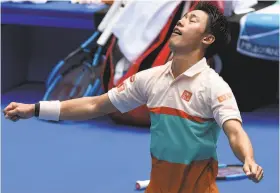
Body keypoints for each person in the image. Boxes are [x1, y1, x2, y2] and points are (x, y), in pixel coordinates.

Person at [3, 2, 263, 193]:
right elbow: (95, 104)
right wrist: (36, 109)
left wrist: (248, 159)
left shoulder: (214, 86)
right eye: (183, 18)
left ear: (207, 38)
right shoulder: (149, 79)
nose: (181, 21)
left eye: (192, 20)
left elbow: (234, 131)